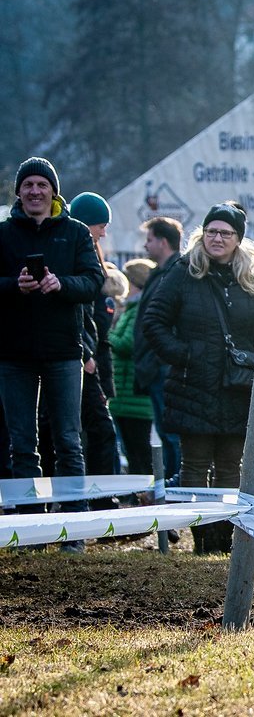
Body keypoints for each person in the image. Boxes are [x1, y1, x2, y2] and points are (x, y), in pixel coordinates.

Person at [142, 202, 254, 554]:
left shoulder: (253, 278)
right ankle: (199, 538)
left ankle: (220, 539)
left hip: (236, 388)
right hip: (192, 386)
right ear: (202, 234)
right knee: (194, 466)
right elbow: (154, 323)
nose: (217, 238)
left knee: (229, 466)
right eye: (212, 231)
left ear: (238, 239)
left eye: (226, 233)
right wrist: (186, 355)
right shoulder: (184, 271)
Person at [0, 158, 104, 552]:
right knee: (22, 444)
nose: (35, 191)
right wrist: (15, 285)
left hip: (63, 352)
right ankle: (30, 530)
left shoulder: (76, 233)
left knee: (68, 440)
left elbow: (95, 281)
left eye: (42, 184)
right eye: (28, 184)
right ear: (19, 192)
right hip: (13, 354)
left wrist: (62, 284)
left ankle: (72, 530)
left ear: (53, 191)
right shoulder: (4, 234)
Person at [64, 192, 123, 511]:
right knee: (95, 431)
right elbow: (81, 312)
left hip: (93, 357)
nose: (103, 233)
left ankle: (103, 498)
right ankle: (98, 500)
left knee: (97, 430)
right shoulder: (76, 253)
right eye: (100, 226)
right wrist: (85, 351)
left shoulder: (92, 255)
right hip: (83, 357)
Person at [133, 215, 184, 483]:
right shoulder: (160, 272)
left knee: (172, 433)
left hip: (163, 369)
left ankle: (177, 487)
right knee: (165, 433)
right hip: (155, 369)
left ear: (163, 242)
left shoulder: (176, 273)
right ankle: (171, 487)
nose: (145, 246)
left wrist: (159, 360)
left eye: (149, 239)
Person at [107, 259, 157, 483]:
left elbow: (128, 344)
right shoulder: (131, 308)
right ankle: (139, 494)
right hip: (125, 395)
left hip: (133, 396)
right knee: (132, 449)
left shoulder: (138, 309)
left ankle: (145, 493)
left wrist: (105, 335)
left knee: (139, 450)